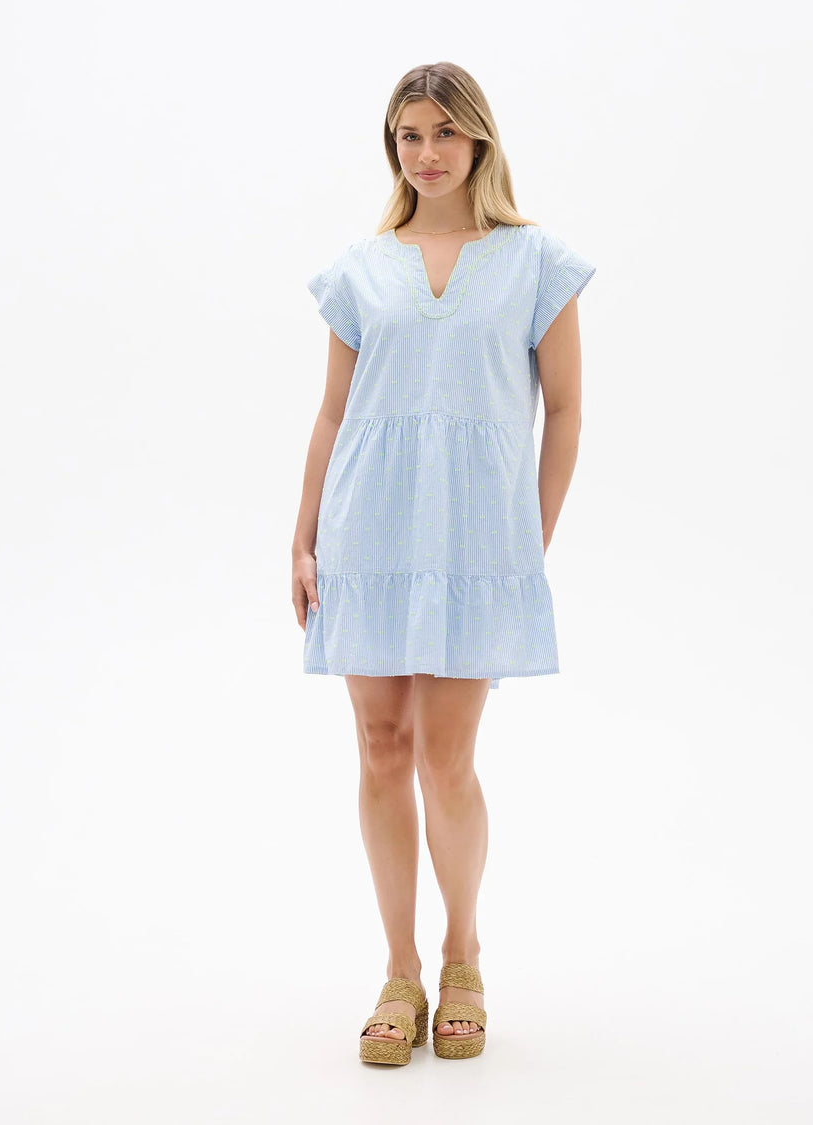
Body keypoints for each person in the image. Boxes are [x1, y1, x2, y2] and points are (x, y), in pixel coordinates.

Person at [291, 61, 595, 1064]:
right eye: (408, 135)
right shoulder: (361, 267)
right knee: (381, 747)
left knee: (445, 759)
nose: (426, 153)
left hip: (475, 544)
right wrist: (303, 535)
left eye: (443, 133)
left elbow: (566, 410)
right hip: (367, 535)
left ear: (479, 139)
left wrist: (526, 540)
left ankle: (464, 954)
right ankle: (400, 970)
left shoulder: (534, 260)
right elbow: (333, 413)